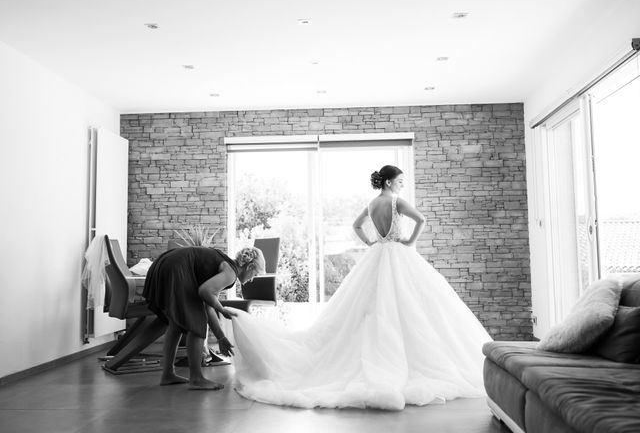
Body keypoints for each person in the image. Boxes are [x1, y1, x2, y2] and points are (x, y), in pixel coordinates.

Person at [228, 165, 493, 410]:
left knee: (375, 305)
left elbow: (356, 226)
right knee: (412, 303)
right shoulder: (395, 201)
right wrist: (409, 241)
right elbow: (421, 220)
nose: (402, 185)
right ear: (389, 182)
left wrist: (371, 242)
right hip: (399, 253)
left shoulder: (372, 203)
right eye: (400, 181)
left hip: (377, 254)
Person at [142, 245, 265, 389]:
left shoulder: (226, 265)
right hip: (177, 266)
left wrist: (221, 338)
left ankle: (168, 374)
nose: (252, 279)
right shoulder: (231, 273)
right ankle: (196, 378)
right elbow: (205, 291)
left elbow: (208, 306)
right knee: (197, 323)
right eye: (255, 274)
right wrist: (222, 309)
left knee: (175, 324)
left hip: (166, 263)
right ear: (250, 267)